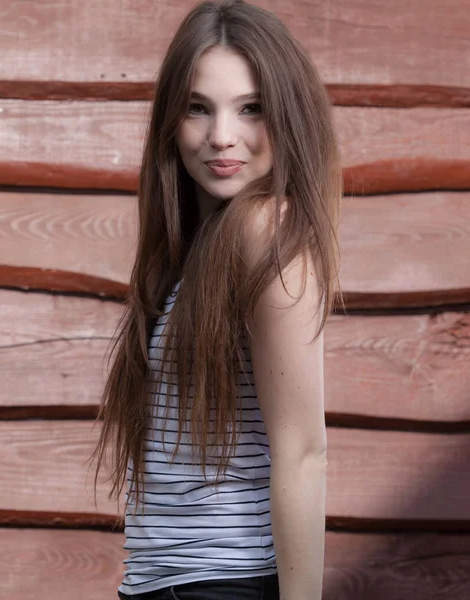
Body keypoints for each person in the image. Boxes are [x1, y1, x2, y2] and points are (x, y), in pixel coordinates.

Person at [90, 1, 344, 598]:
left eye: (251, 108)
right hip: (165, 583)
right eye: (198, 108)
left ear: (289, 116)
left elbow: (304, 452)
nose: (221, 137)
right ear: (170, 122)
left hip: (224, 582)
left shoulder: (267, 232)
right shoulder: (190, 256)